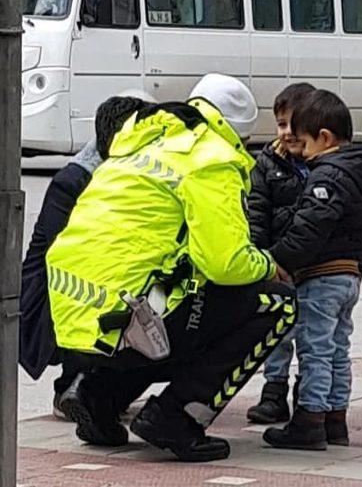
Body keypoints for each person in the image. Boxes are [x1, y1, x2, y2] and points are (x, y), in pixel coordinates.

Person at [46, 74, 297, 462]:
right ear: (239, 134)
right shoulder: (211, 157)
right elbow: (224, 262)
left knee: (171, 301)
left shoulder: (141, 142)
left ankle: (96, 396)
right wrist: (267, 264)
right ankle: (177, 417)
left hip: (75, 316)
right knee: (276, 304)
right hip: (130, 317)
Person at [262, 90, 362, 450]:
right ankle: (336, 419)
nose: (300, 151)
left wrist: (278, 261)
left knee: (314, 348)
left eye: (303, 143)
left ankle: (309, 419)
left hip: (321, 276)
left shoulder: (328, 177)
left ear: (325, 138)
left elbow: (309, 230)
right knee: (337, 348)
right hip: (349, 274)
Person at [19, 95, 149, 419]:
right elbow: (66, 252)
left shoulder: (129, 176)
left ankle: (102, 387)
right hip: (50, 294)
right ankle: (71, 387)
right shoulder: (73, 180)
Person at [246, 82, 316, 424]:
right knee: (276, 332)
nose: (286, 132)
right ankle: (273, 391)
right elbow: (257, 213)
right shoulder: (267, 163)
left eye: (293, 124)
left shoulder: (325, 163)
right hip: (277, 264)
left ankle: (308, 393)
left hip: (316, 267)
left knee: (311, 334)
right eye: (280, 124)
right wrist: (264, 259)